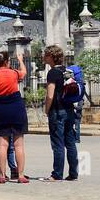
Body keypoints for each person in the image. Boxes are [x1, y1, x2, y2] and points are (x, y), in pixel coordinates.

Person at [0, 50, 29, 183]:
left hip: (1, 111)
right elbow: (24, 73)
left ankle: (2, 175)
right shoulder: (13, 73)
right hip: (16, 109)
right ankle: (20, 175)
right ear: (7, 62)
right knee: (18, 145)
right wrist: (20, 60)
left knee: (2, 145)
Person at [43, 45, 80, 180]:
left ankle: (57, 174)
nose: (43, 57)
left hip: (57, 111)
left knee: (57, 143)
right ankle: (73, 173)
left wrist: (46, 110)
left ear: (51, 57)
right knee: (70, 142)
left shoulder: (52, 73)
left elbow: (50, 95)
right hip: (69, 110)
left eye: (46, 55)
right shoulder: (67, 71)